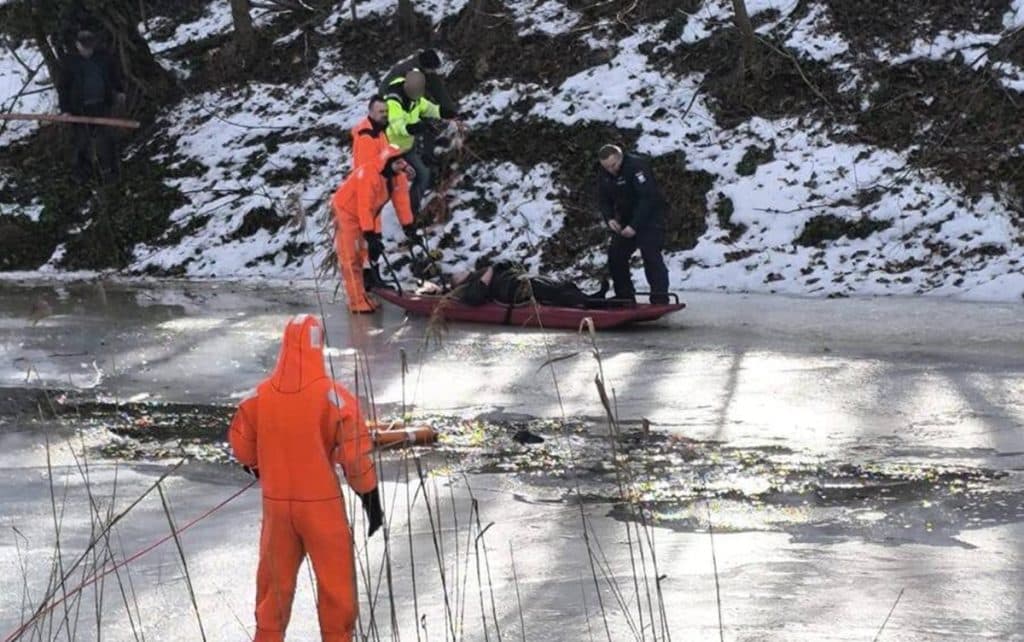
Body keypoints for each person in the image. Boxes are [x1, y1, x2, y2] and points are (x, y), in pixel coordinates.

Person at [228, 314, 383, 642]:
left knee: (272, 591)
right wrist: (371, 500)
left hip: (276, 508)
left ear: (285, 344)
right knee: (336, 588)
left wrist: (256, 465)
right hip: (321, 508)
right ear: (317, 345)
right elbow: (354, 458)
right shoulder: (333, 397)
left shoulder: (259, 396)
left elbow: (241, 444)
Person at [331, 144, 415, 312]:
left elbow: (402, 202)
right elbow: (364, 205)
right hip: (347, 212)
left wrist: (409, 227)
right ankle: (356, 301)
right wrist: (370, 233)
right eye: (398, 163)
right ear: (388, 162)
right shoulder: (368, 174)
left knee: (363, 256)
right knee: (351, 257)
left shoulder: (397, 176)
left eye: (403, 162)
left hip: (368, 214)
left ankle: (362, 294)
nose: (402, 166)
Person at [349, 96, 421, 287]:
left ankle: (372, 277)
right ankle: (368, 279)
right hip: (367, 196)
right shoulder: (366, 137)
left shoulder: (381, 133)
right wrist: (368, 231)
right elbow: (366, 178)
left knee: (374, 240)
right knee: (370, 240)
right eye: (381, 112)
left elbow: (389, 156)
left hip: (377, 196)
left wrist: (408, 224)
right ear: (371, 112)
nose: (385, 115)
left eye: (387, 112)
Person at [596, 144, 670, 304]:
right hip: (625, 218)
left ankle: (660, 297)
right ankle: (624, 295)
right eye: (607, 167)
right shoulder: (604, 173)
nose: (611, 170)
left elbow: (647, 198)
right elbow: (603, 199)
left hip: (649, 218)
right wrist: (610, 218)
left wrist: (635, 225)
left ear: (620, 158)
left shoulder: (636, 166)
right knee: (616, 255)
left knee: (651, 255)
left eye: (613, 165)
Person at [58, 28, 125, 184]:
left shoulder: (103, 58)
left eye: (90, 46)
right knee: (81, 141)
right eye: (84, 46)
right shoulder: (70, 62)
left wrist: (119, 91)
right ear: (77, 45)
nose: (88, 50)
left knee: (106, 139)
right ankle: (82, 173)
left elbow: (113, 76)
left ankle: (110, 172)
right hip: (79, 109)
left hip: (101, 105)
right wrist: (65, 110)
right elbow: (63, 87)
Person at [383, 70, 447, 216]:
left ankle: (411, 211)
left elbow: (428, 108)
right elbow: (397, 126)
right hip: (391, 150)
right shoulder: (393, 102)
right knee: (390, 185)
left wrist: (443, 112)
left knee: (423, 175)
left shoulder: (416, 98)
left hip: (408, 146)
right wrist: (414, 128)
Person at [447, 260, 601, 308]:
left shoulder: (477, 274)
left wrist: (504, 265)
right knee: (553, 293)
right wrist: (492, 269)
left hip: (518, 279)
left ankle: (592, 298)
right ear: (458, 282)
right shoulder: (467, 288)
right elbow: (477, 295)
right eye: (457, 275)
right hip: (514, 290)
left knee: (561, 285)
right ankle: (590, 303)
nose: (461, 271)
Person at [379, 49, 459, 122]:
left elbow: (439, 91)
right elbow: (419, 101)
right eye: (433, 69)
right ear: (426, 66)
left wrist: (451, 112)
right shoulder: (411, 73)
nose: (434, 71)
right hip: (389, 96)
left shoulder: (427, 70)